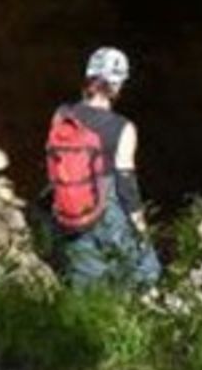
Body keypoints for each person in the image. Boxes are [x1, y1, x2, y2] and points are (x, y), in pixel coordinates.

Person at [45, 47, 161, 290]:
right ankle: (126, 321)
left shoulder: (62, 115)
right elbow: (126, 185)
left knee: (86, 283)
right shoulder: (123, 128)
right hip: (108, 210)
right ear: (116, 85)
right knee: (147, 272)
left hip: (69, 211)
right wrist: (141, 228)